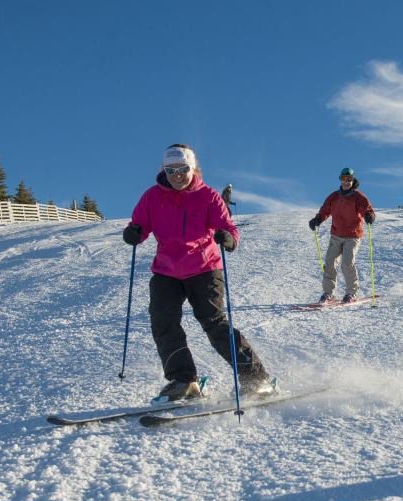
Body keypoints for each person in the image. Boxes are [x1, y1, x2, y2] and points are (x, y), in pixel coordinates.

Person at [122, 144, 273, 403]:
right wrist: (134, 232)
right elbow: (139, 225)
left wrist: (228, 238)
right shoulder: (151, 197)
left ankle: (256, 378)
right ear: (163, 170)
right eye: (171, 170)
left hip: (204, 268)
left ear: (192, 169)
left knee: (213, 322)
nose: (177, 175)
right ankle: (184, 380)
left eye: (183, 169)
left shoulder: (208, 196)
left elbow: (228, 227)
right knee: (162, 321)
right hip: (166, 270)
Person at [308, 167, 375, 303]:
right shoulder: (334, 197)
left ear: (352, 180)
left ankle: (351, 293)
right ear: (340, 180)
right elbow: (325, 210)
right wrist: (317, 219)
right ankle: (328, 293)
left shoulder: (358, 196)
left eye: (349, 180)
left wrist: (369, 215)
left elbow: (367, 209)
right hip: (336, 235)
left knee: (347, 264)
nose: (346, 182)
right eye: (344, 179)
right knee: (330, 263)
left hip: (352, 236)